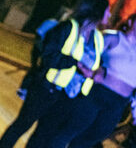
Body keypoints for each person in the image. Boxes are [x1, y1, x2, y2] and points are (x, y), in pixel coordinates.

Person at [0, 0, 109, 148]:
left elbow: (98, 63)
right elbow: (49, 56)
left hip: (68, 96)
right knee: (21, 125)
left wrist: (98, 72)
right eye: (107, 10)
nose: (109, 14)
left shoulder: (98, 38)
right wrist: (77, 64)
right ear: (97, 11)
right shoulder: (68, 28)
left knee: (43, 135)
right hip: (46, 88)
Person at [28, 13, 135, 148]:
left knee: (91, 139)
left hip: (118, 104)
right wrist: (89, 71)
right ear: (131, 22)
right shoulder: (114, 38)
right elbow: (86, 53)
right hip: (97, 94)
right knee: (67, 132)